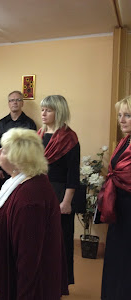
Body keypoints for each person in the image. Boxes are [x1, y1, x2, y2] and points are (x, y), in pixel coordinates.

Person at [0, 128, 68, 299]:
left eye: (3, 149)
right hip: (7, 274)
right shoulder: (20, 181)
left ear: (17, 158)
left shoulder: (30, 197)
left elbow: (29, 259)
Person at [39, 95, 80, 286]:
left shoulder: (69, 138)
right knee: (41, 239)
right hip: (40, 192)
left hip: (60, 193)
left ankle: (59, 282)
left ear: (59, 111)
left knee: (60, 240)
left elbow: (73, 174)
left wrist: (66, 201)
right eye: (42, 110)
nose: (43, 113)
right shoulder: (39, 134)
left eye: (48, 110)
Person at [99, 95, 131, 300]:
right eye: (120, 115)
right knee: (117, 257)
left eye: (128, 115)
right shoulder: (124, 141)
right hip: (120, 207)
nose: (122, 120)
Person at [0, 91, 37, 187]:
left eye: (18, 100)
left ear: (22, 103)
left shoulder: (29, 123)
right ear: (8, 103)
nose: (15, 102)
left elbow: (33, 148)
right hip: (4, 169)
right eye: (12, 100)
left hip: (23, 170)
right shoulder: (1, 123)